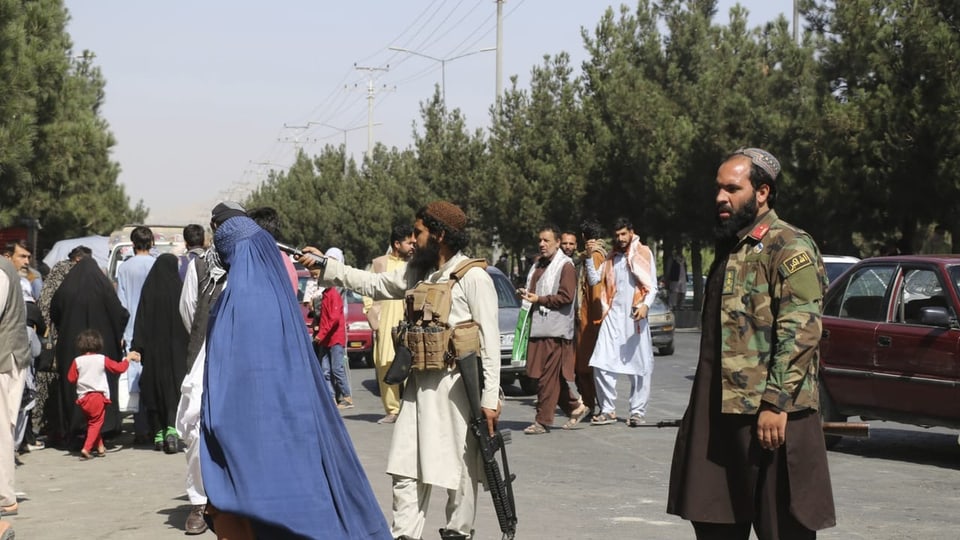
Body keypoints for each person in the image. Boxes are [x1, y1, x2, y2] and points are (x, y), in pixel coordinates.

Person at [300, 200, 501, 540]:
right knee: (405, 469)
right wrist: (327, 266)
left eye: (419, 232)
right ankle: (405, 534)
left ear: (438, 234)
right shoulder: (417, 273)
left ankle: (458, 531)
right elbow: (372, 283)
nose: (414, 238)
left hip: (458, 389)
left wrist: (490, 398)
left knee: (461, 472)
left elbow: (490, 342)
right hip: (417, 388)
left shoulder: (474, 277)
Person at [667, 147, 836, 539]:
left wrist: (776, 403)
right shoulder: (730, 248)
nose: (720, 198)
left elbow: (801, 330)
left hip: (771, 419)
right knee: (714, 524)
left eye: (732, 188)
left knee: (783, 528)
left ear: (762, 192)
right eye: (718, 189)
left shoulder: (789, 246)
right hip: (719, 417)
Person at [199, 209, 390, 539]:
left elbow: (222, 382)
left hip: (246, 438)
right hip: (296, 429)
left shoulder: (234, 303)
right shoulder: (281, 299)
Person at [175, 202, 238, 535]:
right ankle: (200, 503)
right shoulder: (201, 267)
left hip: (240, 361)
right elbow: (189, 313)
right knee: (196, 428)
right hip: (205, 358)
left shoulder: (249, 266)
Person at [585, 217, 658, 427]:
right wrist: (590, 257)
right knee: (600, 362)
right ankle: (607, 409)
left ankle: (637, 411)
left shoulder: (643, 252)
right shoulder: (612, 256)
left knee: (640, 366)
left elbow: (652, 286)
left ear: (631, 232)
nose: (620, 238)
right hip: (612, 316)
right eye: (617, 235)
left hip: (634, 316)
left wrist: (645, 306)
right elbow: (594, 280)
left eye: (623, 234)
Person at [50, 257, 128, 446]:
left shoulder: (67, 288)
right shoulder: (104, 289)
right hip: (104, 344)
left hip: (72, 346)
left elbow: (54, 312)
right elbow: (120, 314)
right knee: (103, 384)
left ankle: (76, 429)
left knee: (74, 387)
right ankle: (104, 427)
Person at [519, 226, 588, 434]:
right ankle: (575, 406)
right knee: (545, 376)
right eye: (540, 240)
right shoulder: (538, 264)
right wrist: (526, 294)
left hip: (556, 331)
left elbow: (566, 297)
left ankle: (542, 420)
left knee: (547, 378)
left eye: (547, 240)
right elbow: (536, 291)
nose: (542, 244)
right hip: (537, 327)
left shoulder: (565, 266)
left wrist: (539, 299)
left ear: (558, 243)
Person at [131, 253, 188, 453]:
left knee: (154, 390)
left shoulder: (149, 289)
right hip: (176, 351)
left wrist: (137, 346)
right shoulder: (178, 289)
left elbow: (141, 319)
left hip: (153, 351)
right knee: (173, 389)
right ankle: (172, 429)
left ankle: (158, 433)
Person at [367, 225, 416, 424]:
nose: (413, 245)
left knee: (411, 366)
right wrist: (373, 319)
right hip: (386, 322)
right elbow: (368, 290)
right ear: (397, 244)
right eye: (409, 242)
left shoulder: (415, 264)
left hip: (409, 322)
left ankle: (410, 409)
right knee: (385, 364)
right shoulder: (379, 263)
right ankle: (392, 410)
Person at [66, 329, 139, 460]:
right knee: (96, 422)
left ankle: (100, 447)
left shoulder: (77, 361)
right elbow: (119, 368)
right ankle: (86, 448)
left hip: (83, 398)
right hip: (98, 397)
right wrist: (127, 359)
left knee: (92, 423)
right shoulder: (101, 359)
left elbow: (71, 378)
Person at [116, 226, 156, 443]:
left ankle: (140, 427)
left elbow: (121, 303)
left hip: (132, 329)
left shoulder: (124, 268)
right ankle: (152, 423)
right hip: (153, 328)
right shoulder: (156, 265)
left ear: (133, 244)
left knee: (136, 377)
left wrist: (121, 331)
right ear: (151, 243)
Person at [0, 255, 31, 517]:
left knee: (1, 430)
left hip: (5, 359)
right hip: (9, 357)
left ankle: (4, 496)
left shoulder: (0, 270)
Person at [313, 247, 353, 409]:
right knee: (325, 370)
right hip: (326, 338)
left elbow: (334, 319)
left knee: (337, 369)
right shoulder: (325, 294)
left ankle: (347, 397)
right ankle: (331, 398)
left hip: (334, 337)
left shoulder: (335, 292)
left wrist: (320, 335)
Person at [574, 219, 605, 417]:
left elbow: (595, 289)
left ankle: (590, 402)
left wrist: (594, 320)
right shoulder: (593, 254)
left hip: (591, 319)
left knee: (585, 364)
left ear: (584, 237)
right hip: (589, 317)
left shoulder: (594, 256)